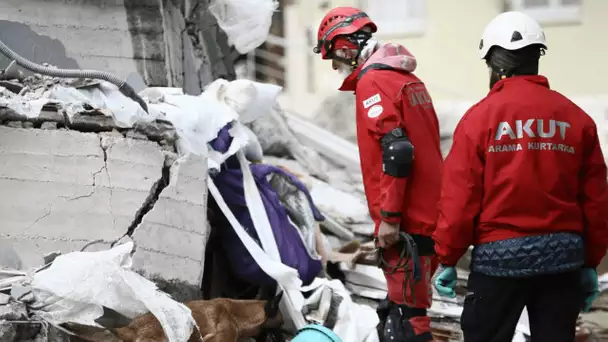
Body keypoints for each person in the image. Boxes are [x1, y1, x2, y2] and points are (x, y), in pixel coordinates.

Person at [432, 11, 608, 342]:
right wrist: (590, 263)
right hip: (563, 261)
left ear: (495, 64)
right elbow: (597, 201)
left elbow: (459, 199)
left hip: (499, 261)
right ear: (536, 59)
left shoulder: (478, 120)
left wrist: (447, 257)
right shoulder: (577, 119)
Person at [314, 6, 443, 341]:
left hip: (407, 226)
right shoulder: (408, 79)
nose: (334, 66)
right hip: (427, 218)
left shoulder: (374, 81)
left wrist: (390, 217)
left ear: (344, 47)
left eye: (333, 56)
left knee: (407, 318)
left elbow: (398, 152)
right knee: (400, 309)